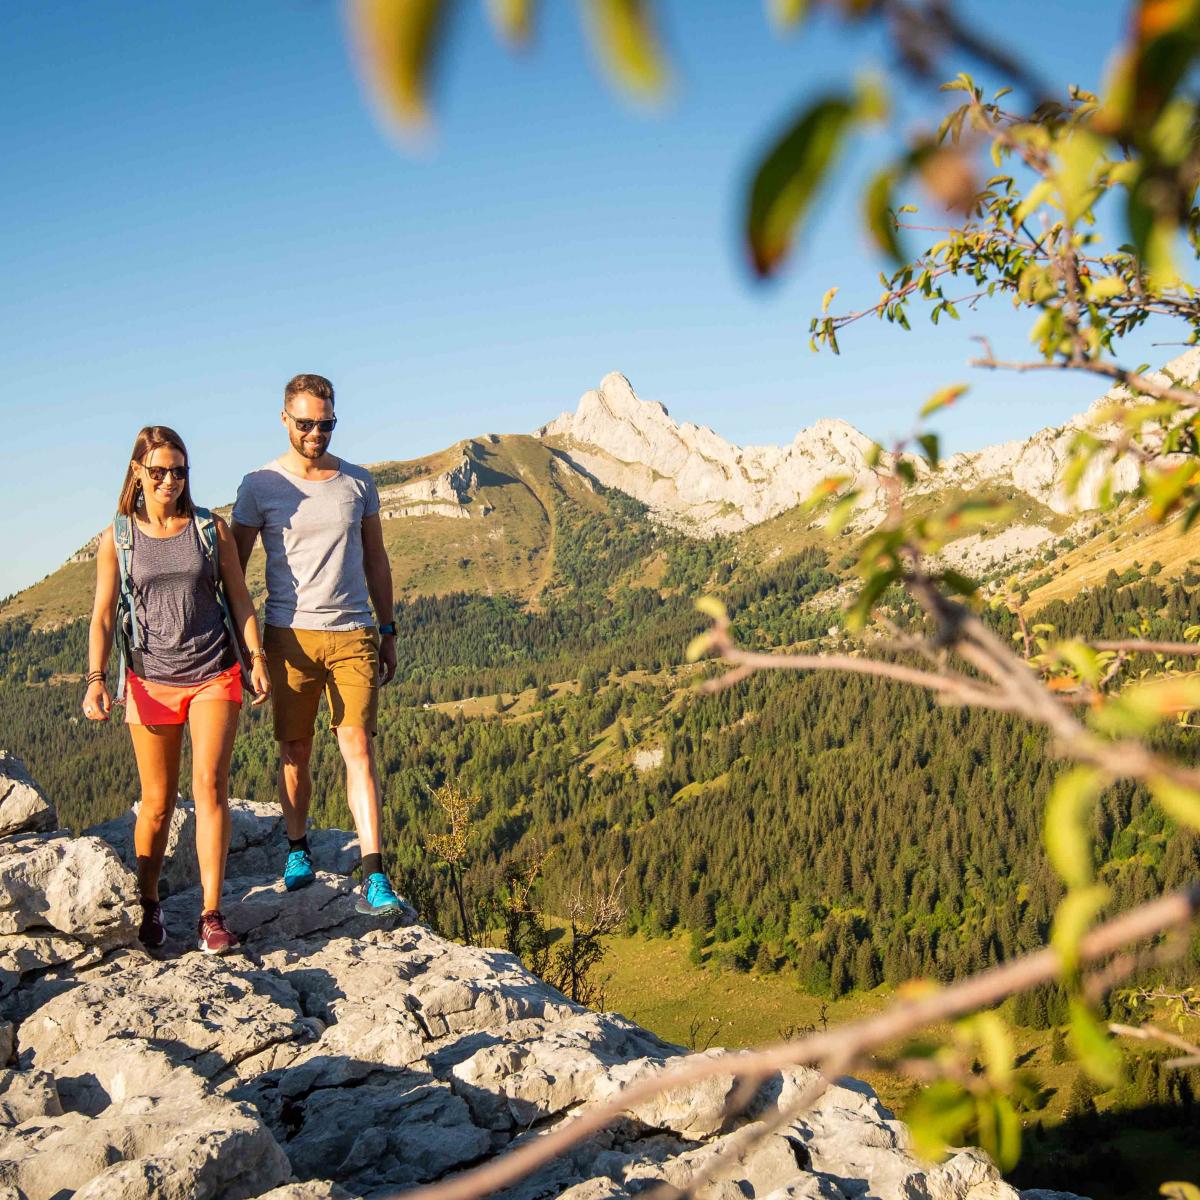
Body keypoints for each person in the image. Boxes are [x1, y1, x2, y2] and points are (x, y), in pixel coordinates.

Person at [83, 426, 271, 954]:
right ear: (138, 472)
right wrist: (97, 679)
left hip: (214, 671)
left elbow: (240, 599)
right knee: (158, 803)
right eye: (159, 470)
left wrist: (255, 659)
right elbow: (101, 617)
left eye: (180, 470)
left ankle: (211, 914)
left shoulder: (211, 528)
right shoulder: (118, 538)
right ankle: (148, 903)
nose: (170, 480)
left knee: (210, 786)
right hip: (149, 680)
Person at [230, 374, 404, 914]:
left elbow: (376, 560)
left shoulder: (358, 483)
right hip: (290, 637)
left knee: (359, 749)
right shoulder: (259, 486)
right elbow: (232, 570)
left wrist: (388, 627)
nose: (315, 433)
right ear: (284, 418)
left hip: (354, 633)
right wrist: (245, 646)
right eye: (305, 423)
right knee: (295, 751)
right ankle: (298, 850)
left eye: (325, 424)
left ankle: (375, 875)